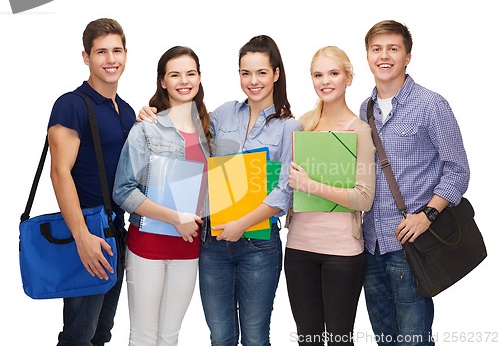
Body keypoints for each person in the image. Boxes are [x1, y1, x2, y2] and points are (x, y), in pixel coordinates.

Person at [359, 20, 470, 346]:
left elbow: (458, 171)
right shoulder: (364, 110)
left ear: (407, 56)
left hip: (411, 246)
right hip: (371, 246)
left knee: (413, 340)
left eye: (393, 49)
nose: (384, 56)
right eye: (377, 49)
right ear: (367, 56)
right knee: (385, 340)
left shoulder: (431, 105)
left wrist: (427, 215)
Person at [199, 35, 300, 346]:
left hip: (258, 245)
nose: (253, 81)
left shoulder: (288, 127)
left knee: (255, 338)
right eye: (245, 73)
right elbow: (187, 135)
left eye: (261, 73)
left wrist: (241, 225)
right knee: (220, 337)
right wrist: (151, 110)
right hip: (213, 242)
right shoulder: (223, 113)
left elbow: (285, 191)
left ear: (276, 74)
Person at [112, 46, 210, 346]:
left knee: (169, 337)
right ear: (163, 82)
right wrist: (175, 218)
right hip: (147, 247)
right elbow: (123, 190)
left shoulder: (209, 129)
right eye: (175, 74)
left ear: (199, 78)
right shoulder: (147, 128)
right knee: (144, 336)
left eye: (190, 73)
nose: (184, 80)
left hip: (189, 249)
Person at [47, 18, 136, 346]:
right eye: (101, 52)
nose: (110, 59)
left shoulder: (126, 111)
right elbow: (59, 173)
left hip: (117, 235)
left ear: (126, 54)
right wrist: (81, 235)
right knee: (78, 336)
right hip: (87, 233)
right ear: (86, 57)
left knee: (100, 334)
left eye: (116, 51)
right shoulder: (71, 105)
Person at [285, 46, 376, 346]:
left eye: (333, 73)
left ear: (348, 77)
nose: (325, 81)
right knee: (307, 340)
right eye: (318, 75)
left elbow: (364, 198)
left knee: (339, 340)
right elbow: (284, 184)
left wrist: (310, 185)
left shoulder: (360, 130)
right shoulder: (302, 125)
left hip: (342, 253)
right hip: (298, 249)